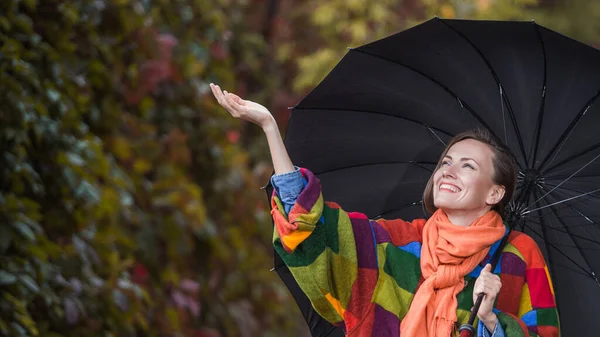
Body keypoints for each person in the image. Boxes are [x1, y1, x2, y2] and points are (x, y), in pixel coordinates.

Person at [210, 83, 560, 337]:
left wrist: (491, 320)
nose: (448, 171)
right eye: (446, 162)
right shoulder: (400, 242)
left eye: (468, 166)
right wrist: (270, 127)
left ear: (495, 192)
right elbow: (319, 232)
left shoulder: (519, 255)